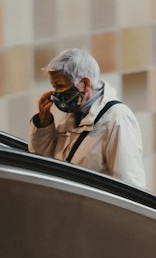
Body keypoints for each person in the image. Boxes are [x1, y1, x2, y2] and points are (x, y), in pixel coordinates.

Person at [29, 47, 147, 190]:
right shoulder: (73, 114)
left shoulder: (117, 118)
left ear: (85, 83)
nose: (56, 94)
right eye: (54, 87)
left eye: (60, 86)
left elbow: (130, 186)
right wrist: (44, 124)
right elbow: (45, 165)